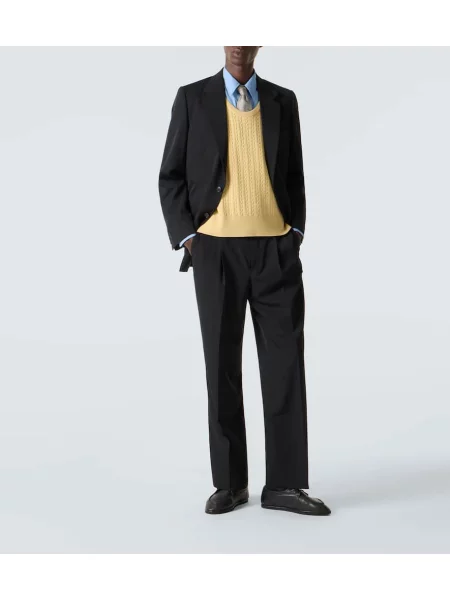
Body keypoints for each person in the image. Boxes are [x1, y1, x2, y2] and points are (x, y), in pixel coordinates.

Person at [158, 46, 331, 516]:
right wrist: (190, 239)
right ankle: (230, 484)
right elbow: (170, 176)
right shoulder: (192, 98)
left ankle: (285, 486)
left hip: (276, 252)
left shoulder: (282, 100)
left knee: (285, 366)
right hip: (215, 252)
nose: (238, 44)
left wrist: (294, 232)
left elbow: (293, 173)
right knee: (222, 366)